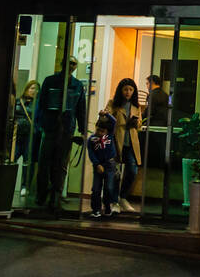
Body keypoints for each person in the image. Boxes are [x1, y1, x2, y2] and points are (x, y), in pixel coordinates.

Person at [34, 57, 87, 217]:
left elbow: (81, 108)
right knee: (44, 162)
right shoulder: (50, 81)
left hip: (67, 129)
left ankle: (55, 197)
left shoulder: (77, 85)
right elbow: (41, 103)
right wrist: (39, 124)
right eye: (69, 62)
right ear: (63, 64)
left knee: (61, 165)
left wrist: (82, 129)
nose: (71, 65)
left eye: (74, 63)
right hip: (50, 127)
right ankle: (42, 195)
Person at [105, 78, 143, 213]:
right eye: (125, 89)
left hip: (131, 143)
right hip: (116, 142)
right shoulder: (113, 103)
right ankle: (114, 201)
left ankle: (123, 197)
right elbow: (105, 117)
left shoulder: (136, 106)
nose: (128, 92)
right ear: (121, 90)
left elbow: (139, 126)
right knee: (115, 173)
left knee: (132, 171)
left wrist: (136, 122)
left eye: (131, 90)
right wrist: (107, 116)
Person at [11, 80, 40, 195]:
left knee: (28, 163)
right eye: (32, 88)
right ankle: (9, 184)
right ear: (27, 88)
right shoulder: (18, 101)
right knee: (12, 160)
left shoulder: (38, 104)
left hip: (30, 136)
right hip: (16, 136)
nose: (34, 91)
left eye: (37, 89)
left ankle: (25, 186)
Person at [87, 112, 119, 219]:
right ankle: (96, 209)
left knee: (109, 188)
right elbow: (91, 154)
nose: (100, 133)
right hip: (98, 166)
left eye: (103, 131)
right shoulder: (91, 140)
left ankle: (107, 205)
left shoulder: (109, 136)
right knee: (96, 189)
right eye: (98, 130)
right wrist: (97, 164)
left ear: (107, 131)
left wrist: (107, 114)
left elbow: (114, 121)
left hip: (110, 164)